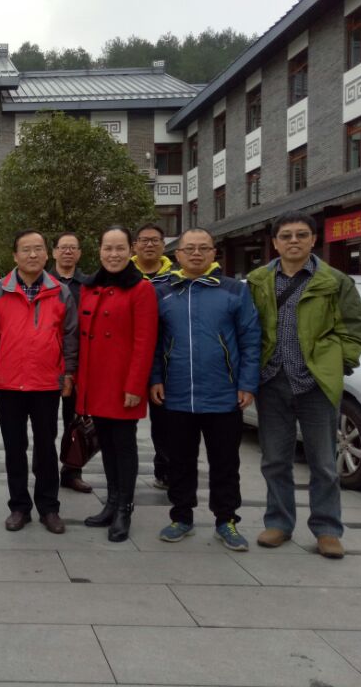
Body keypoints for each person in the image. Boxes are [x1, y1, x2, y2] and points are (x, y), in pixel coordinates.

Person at [248, 211, 361, 559]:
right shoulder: (259, 281)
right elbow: (248, 328)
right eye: (286, 236)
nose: (294, 241)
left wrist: (336, 364)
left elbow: (356, 331)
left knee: (323, 462)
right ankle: (279, 523)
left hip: (316, 384)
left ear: (314, 240)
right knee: (275, 459)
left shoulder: (335, 281)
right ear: (275, 243)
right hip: (272, 381)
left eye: (301, 235)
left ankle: (327, 529)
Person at [150, 228, 261, 551]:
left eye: (203, 248)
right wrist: (155, 378)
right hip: (177, 394)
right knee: (179, 462)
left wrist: (247, 383)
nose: (196, 253)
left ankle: (226, 520)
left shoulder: (234, 291)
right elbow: (154, 342)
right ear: (177, 255)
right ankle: (181, 517)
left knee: (225, 463)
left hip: (223, 395)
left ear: (214, 253)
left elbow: (251, 339)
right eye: (189, 249)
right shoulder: (164, 292)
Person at [0, 229, 77, 534]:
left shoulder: (61, 292)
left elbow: (70, 335)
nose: (32, 254)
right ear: (15, 256)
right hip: (9, 383)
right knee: (14, 448)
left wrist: (69, 373)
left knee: (46, 447)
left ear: (46, 253)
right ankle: (19, 507)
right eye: (26, 249)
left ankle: (49, 507)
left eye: (38, 248)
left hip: (46, 382)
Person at [78, 226, 158, 542]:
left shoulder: (141, 289)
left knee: (124, 446)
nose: (113, 254)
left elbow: (145, 342)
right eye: (108, 248)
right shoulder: (90, 287)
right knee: (107, 445)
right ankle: (111, 502)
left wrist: (135, 386)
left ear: (131, 250)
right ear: (99, 250)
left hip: (123, 383)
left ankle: (125, 508)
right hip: (96, 382)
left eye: (120, 248)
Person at [131, 222, 174, 490]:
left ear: (163, 245)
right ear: (134, 245)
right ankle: (123, 477)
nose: (149, 244)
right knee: (124, 423)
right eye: (144, 240)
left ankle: (165, 471)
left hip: (166, 360)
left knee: (165, 421)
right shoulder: (123, 276)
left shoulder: (177, 278)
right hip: (130, 359)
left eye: (155, 240)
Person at [49, 231, 92, 494]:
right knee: (44, 424)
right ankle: (44, 471)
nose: (67, 252)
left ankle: (72, 470)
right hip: (46, 362)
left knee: (75, 421)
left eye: (72, 248)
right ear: (53, 252)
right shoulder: (43, 282)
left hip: (77, 363)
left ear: (79, 253)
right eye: (63, 247)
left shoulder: (89, 285)